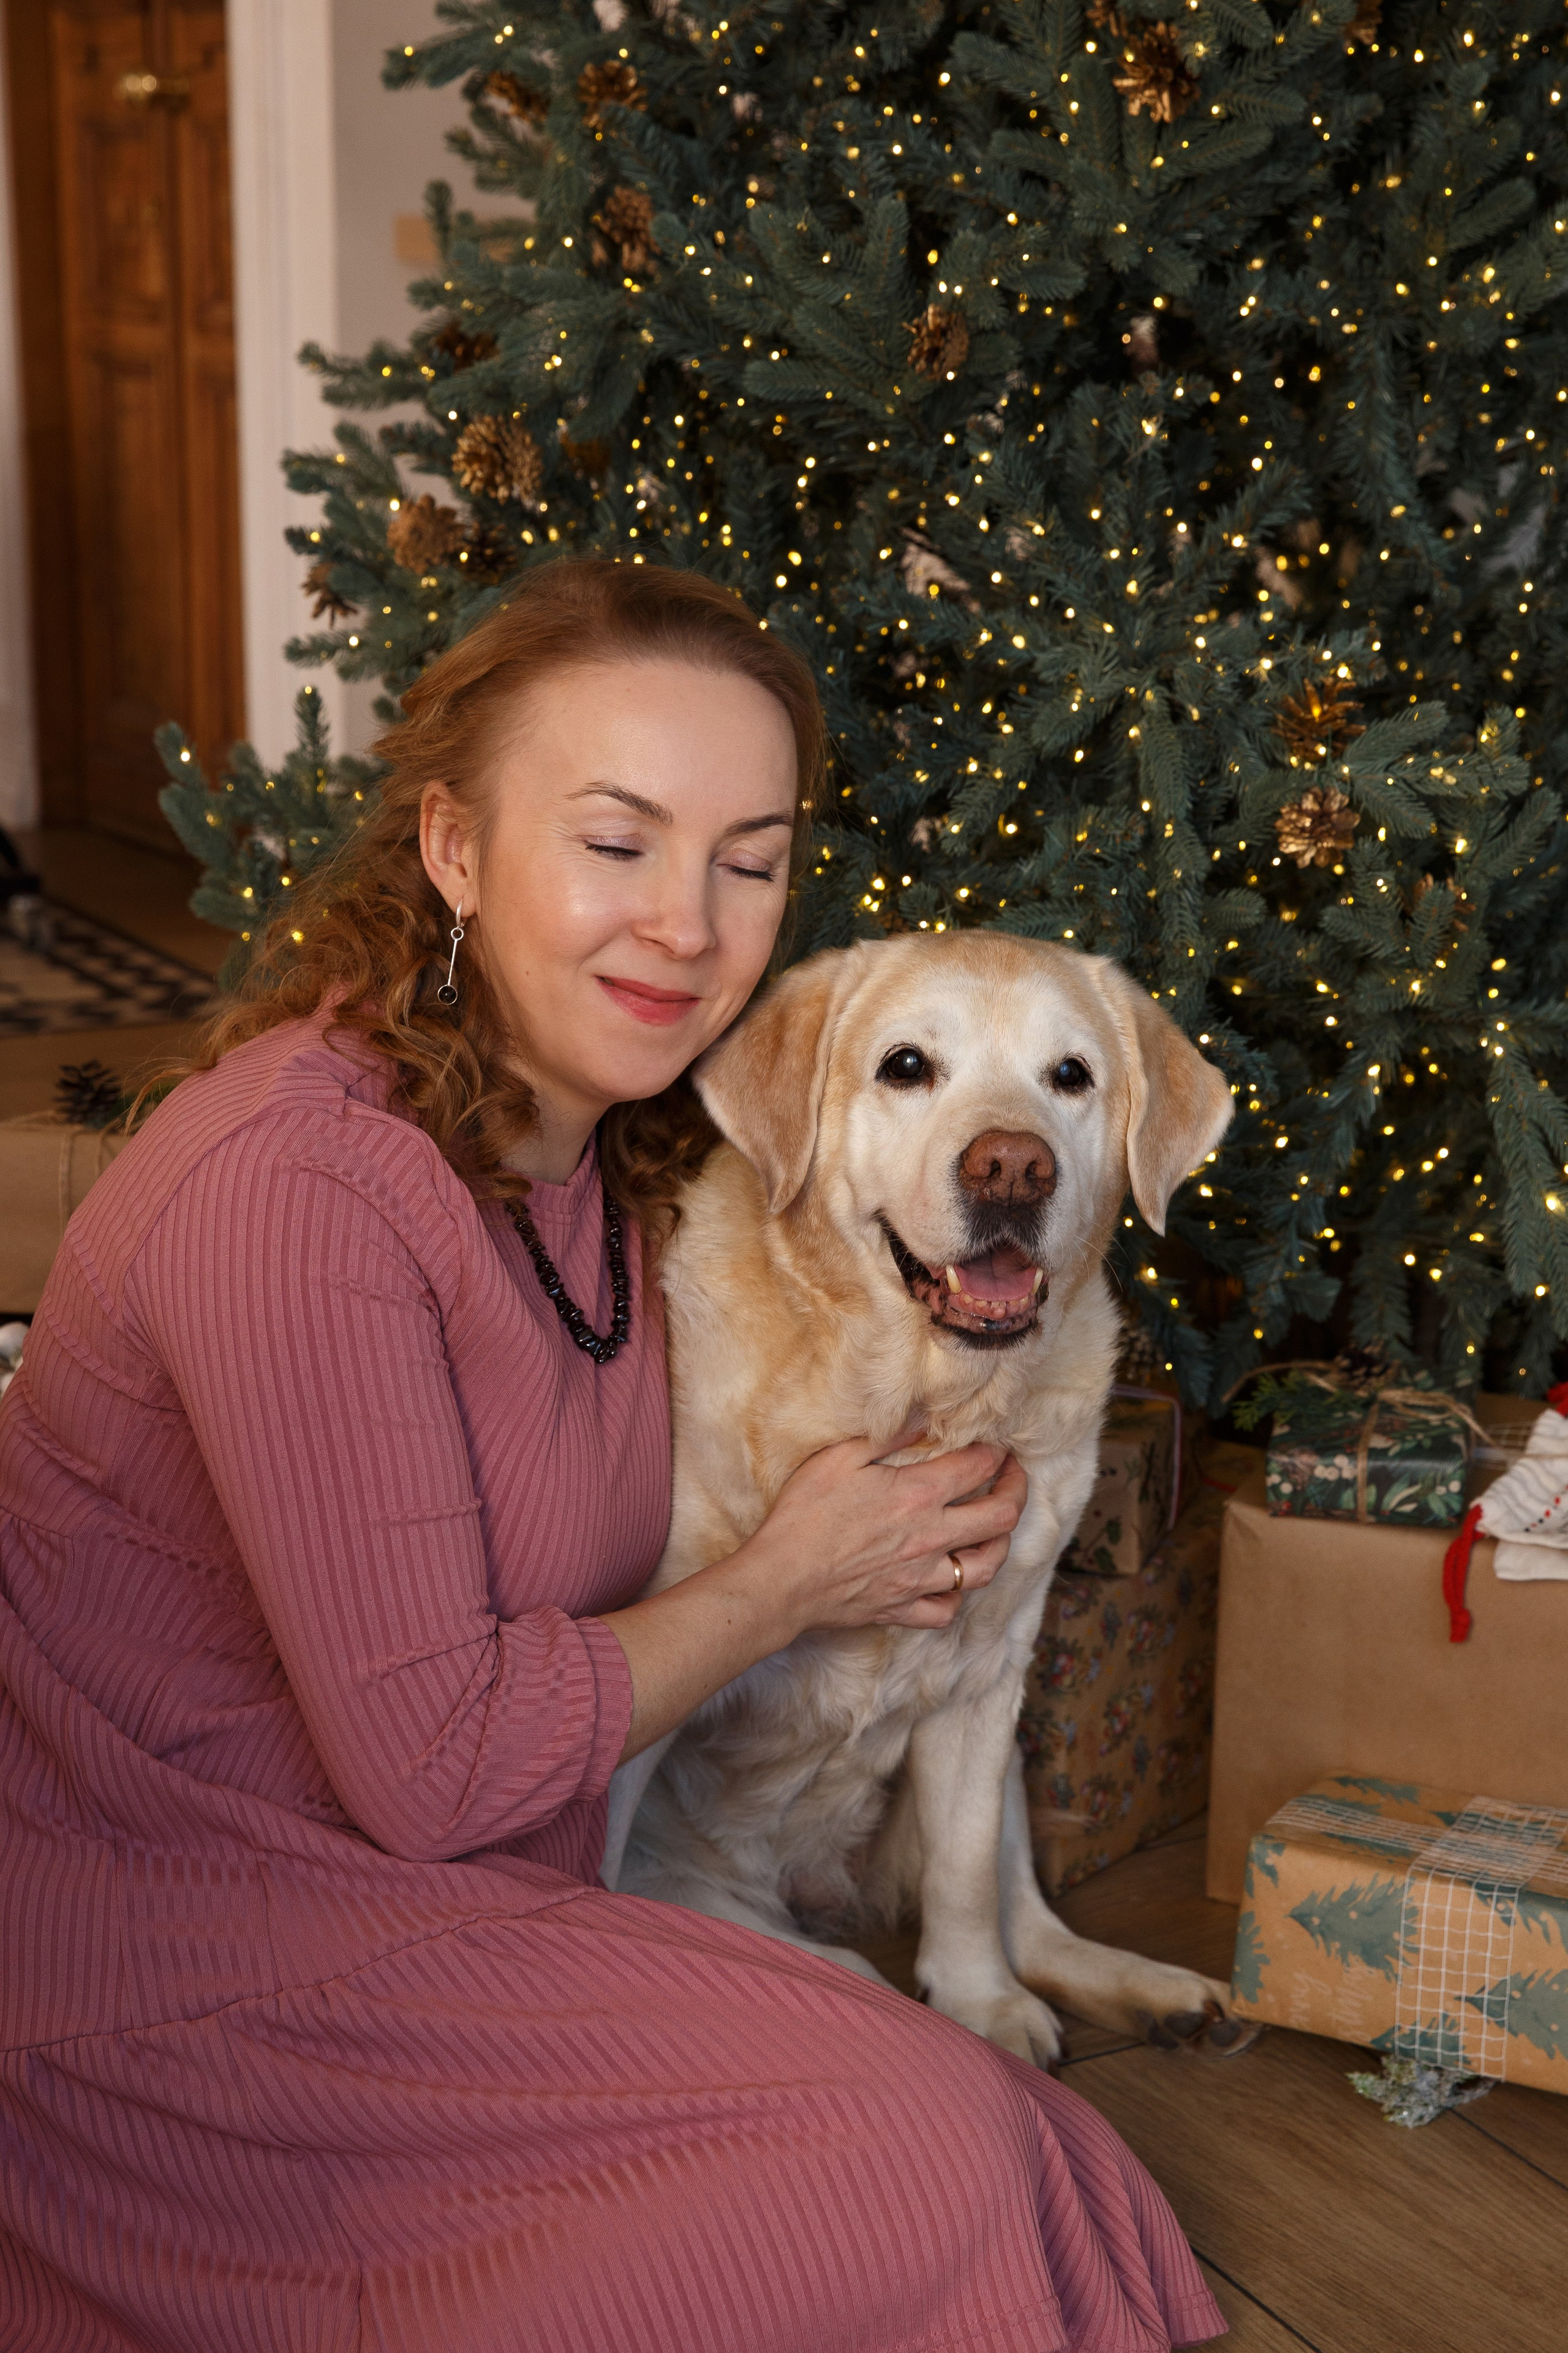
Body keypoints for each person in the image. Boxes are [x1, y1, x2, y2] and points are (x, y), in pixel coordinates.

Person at [0, 558, 1225, 2353]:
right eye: (618, 840)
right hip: (164, 1959)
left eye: (750, 859)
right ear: (453, 849)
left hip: (454, 1890)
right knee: (936, 2154)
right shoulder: (291, 1189)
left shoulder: (599, 1161)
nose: (688, 923)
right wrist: (795, 1576)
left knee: (1019, 2141)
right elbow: (430, 1766)